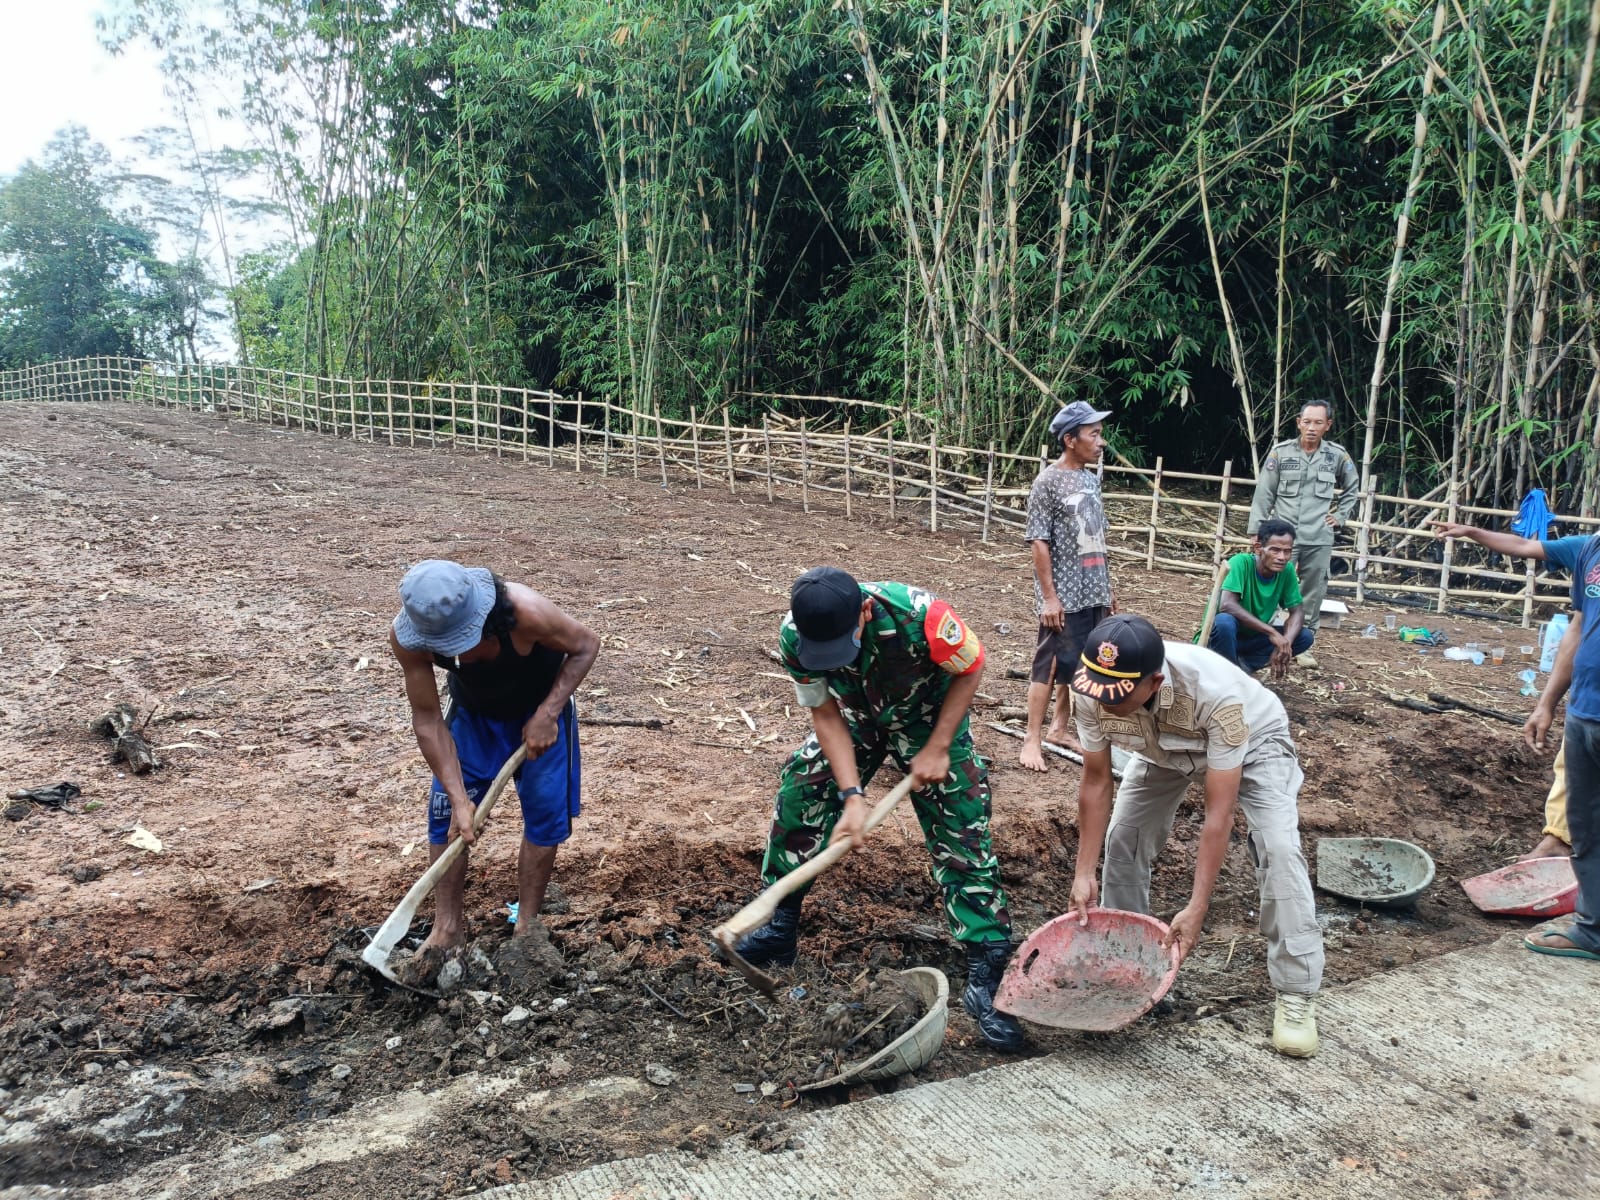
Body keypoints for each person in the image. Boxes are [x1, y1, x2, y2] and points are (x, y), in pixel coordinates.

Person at [732, 567, 1025, 1050]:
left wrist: (939, 745)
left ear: (865, 612)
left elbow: (970, 667)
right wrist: (851, 794)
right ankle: (779, 926)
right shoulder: (795, 636)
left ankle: (986, 969)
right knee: (802, 790)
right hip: (854, 719)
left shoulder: (924, 617)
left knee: (961, 827)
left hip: (930, 718)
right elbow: (824, 712)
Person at [1064, 613, 1325, 1055]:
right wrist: (1083, 872)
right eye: (1099, 689)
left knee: (1278, 849)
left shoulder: (1217, 696)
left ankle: (1296, 991)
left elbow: (1217, 816)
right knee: (1125, 835)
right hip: (1163, 748)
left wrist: (1197, 907)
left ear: (1154, 682)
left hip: (1254, 743)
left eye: (1118, 693)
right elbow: (1095, 781)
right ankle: (1130, 964)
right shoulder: (1093, 688)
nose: (1104, 701)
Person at [390, 559, 599, 977]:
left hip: (539, 715)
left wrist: (548, 713)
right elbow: (427, 719)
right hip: (472, 719)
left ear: (482, 619)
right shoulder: (409, 637)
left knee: (544, 816)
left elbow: (586, 645)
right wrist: (458, 797)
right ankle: (447, 929)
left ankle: (527, 928)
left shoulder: (526, 611)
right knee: (446, 818)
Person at [1431, 520, 1599, 960]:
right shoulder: (1589, 550)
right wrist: (1546, 703)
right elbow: (1528, 549)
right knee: (1585, 828)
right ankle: (1593, 931)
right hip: (1585, 711)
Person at [1020, 400, 1115, 769]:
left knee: (1080, 659)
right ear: (1070, 440)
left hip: (1094, 587)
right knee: (1049, 661)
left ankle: (1059, 727)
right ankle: (1032, 738)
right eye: (1094, 434)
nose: (1101, 442)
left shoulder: (1091, 480)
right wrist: (1049, 597)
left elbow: (1098, 537)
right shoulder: (1047, 482)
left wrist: (1108, 588)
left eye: (1100, 434)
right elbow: (1038, 540)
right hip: (1064, 590)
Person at [1246, 401, 1360, 663]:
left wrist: (1340, 516)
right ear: (1298, 423)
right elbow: (1264, 493)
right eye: (1307, 422)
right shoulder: (1281, 453)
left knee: (1312, 589)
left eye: (1318, 422)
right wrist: (1257, 530)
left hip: (1318, 535)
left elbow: (1352, 487)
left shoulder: (1337, 456)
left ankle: (1303, 644)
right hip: (1282, 536)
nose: (1311, 427)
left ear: (1328, 425)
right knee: (1269, 584)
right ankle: (1264, 638)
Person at [1205, 518, 1313, 680]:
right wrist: (1272, 632)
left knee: (1304, 636)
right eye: (1275, 550)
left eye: (1287, 551)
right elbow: (1226, 605)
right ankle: (1229, 676)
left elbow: (1297, 611)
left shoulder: (1287, 571)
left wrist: (1285, 643)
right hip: (1220, 638)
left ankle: (1240, 667)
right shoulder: (1241, 563)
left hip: (1252, 638)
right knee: (1224, 621)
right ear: (1258, 548)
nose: (1282, 557)